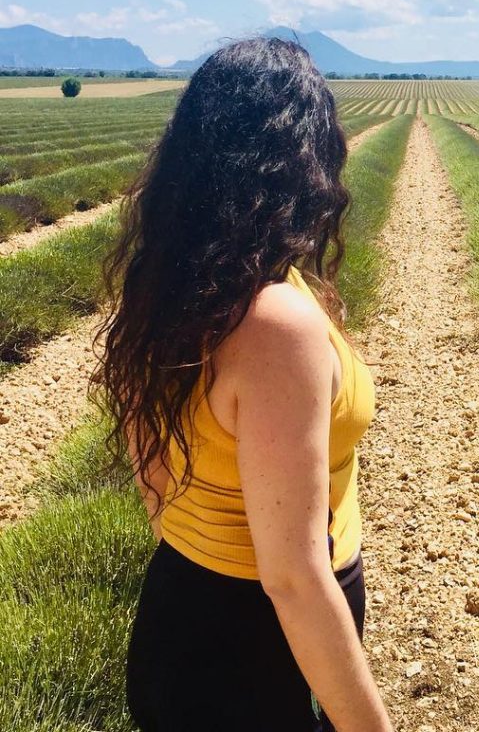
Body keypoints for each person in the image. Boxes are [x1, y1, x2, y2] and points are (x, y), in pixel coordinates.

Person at [93, 37, 393, 731]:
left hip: (183, 607)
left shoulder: (173, 280)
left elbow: (153, 477)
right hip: (255, 653)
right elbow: (291, 577)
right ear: (302, 160)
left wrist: (207, 540)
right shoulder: (275, 323)